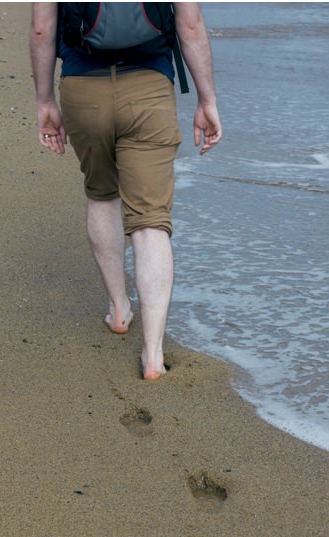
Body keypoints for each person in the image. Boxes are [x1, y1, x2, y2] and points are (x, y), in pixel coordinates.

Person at [30, 2, 222, 380]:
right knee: (150, 221)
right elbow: (190, 25)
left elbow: (41, 29)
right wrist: (207, 100)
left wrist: (45, 102)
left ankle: (119, 308)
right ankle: (153, 353)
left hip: (83, 90)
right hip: (150, 90)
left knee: (102, 195)